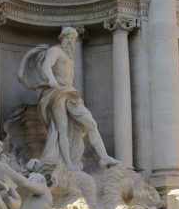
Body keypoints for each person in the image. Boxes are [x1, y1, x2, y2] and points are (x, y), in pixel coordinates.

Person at [18, 27, 121, 171]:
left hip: (70, 94)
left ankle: (103, 157)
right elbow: (46, 65)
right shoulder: (55, 51)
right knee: (62, 130)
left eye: (72, 39)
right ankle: (68, 164)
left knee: (90, 122)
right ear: (62, 38)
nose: (70, 42)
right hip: (57, 93)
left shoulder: (70, 57)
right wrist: (52, 78)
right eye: (68, 38)